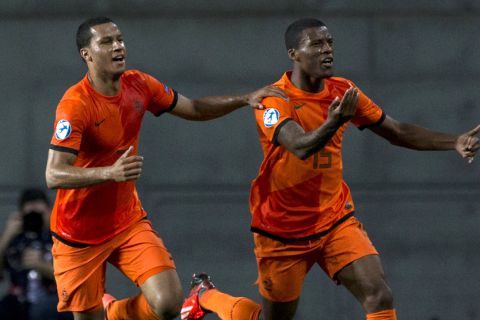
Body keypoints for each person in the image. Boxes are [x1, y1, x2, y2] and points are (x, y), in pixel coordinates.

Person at [180, 18, 480, 320]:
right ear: (294, 54)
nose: (327, 51)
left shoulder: (343, 90)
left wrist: (453, 141)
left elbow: (397, 130)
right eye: (317, 44)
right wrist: (334, 121)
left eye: (330, 43)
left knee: (379, 295)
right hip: (282, 230)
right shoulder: (272, 100)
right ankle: (206, 296)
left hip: (334, 219)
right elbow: (299, 145)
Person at [44, 16, 286, 320]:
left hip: (126, 222)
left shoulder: (140, 84)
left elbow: (195, 108)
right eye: (107, 42)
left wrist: (244, 99)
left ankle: (124, 309)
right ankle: (109, 310)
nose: (118, 46)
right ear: (87, 54)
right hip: (76, 234)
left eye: (120, 39)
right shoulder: (75, 104)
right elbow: (54, 174)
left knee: (169, 303)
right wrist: (109, 173)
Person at [0, 188, 72, 320]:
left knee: (44, 310)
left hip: (52, 298)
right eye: (30, 215)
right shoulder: (14, 239)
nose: (34, 219)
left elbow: (72, 281)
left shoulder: (61, 239)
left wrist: (42, 266)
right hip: (19, 300)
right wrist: (7, 236)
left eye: (38, 214)